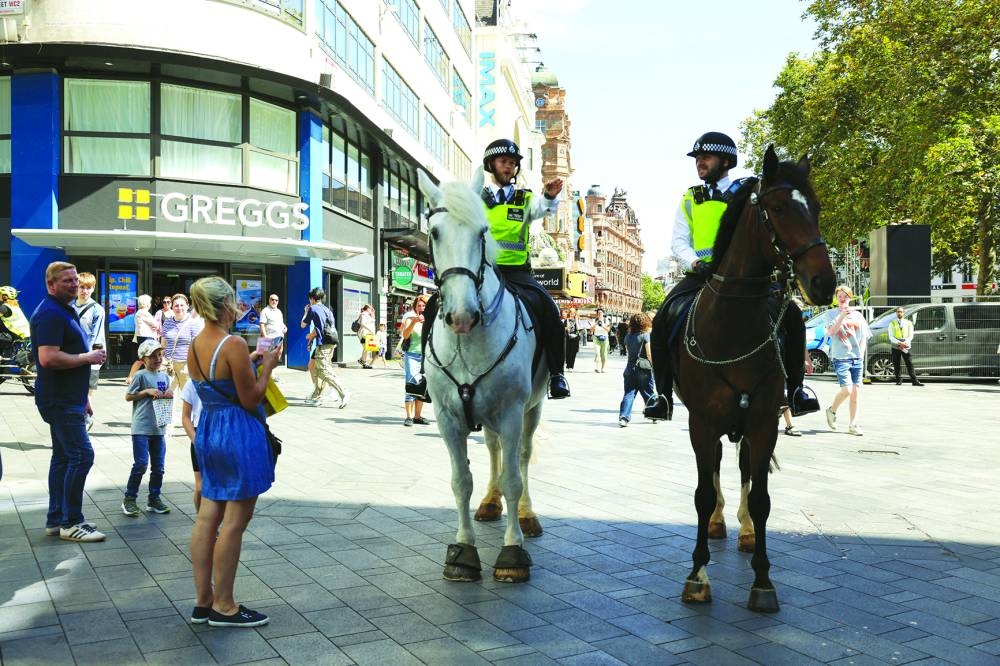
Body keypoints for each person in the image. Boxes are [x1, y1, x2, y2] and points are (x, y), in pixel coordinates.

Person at [645, 131, 820, 421]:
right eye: (697, 158)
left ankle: (796, 389)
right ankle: (662, 396)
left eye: (705, 157)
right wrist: (693, 262)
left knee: (791, 315)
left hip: (745, 274)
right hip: (702, 273)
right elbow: (679, 241)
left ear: (725, 161)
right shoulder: (691, 197)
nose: (699, 162)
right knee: (663, 317)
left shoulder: (748, 190)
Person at [409, 139, 571, 400]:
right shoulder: (474, 198)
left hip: (517, 272)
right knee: (433, 307)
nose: (508, 167)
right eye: (503, 162)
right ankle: (425, 374)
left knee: (550, 309)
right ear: (491, 165)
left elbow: (544, 208)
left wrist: (551, 195)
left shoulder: (524, 197)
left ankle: (556, 374)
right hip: (482, 270)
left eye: (512, 163)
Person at [186, 275, 280, 628]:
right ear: (224, 304)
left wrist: (252, 362)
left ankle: (203, 601)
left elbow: (221, 383)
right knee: (235, 523)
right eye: (234, 300)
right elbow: (251, 398)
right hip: (237, 433)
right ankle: (225, 606)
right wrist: (267, 366)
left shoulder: (196, 344)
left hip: (208, 430)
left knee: (208, 516)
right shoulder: (234, 344)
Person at [30, 262, 108, 542]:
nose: (74, 285)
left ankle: (56, 519)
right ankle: (71, 521)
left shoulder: (64, 309)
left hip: (69, 398)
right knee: (81, 455)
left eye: (76, 280)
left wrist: (83, 397)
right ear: (51, 285)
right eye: (67, 282)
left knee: (63, 457)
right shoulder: (51, 313)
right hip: (59, 400)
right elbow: (48, 358)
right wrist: (87, 358)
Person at [122, 339, 173, 517]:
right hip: (141, 427)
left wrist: (169, 394)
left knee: (159, 467)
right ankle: (129, 499)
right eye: (153, 356)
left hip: (158, 428)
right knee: (141, 464)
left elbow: (165, 399)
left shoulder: (165, 377)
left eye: (160, 355)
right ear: (144, 359)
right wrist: (145, 392)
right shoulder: (140, 375)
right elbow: (128, 396)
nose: (158, 358)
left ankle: (154, 499)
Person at [824, 285, 872, 436]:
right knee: (847, 390)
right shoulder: (831, 314)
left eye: (845, 296)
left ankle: (853, 424)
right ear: (836, 298)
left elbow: (864, 336)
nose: (843, 298)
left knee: (855, 394)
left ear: (850, 298)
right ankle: (831, 410)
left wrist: (861, 355)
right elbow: (831, 332)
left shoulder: (858, 315)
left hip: (856, 358)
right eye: (840, 295)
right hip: (841, 357)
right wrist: (842, 316)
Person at [301, 287, 350, 408]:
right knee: (317, 369)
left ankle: (344, 393)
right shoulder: (327, 310)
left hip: (323, 344)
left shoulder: (312, 308)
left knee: (324, 371)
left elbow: (303, 324)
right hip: (331, 342)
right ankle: (316, 395)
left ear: (312, 298)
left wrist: (306, 312)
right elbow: (324, 328)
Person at [74, 272, 105, 431]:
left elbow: (96, 337)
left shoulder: (97, 310)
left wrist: (88, 357)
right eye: (81, 287)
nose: (84, 291)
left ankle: (86, 420)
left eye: (88, 287)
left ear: (93, 289)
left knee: (87, 392)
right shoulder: (70, 306)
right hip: (73, 357)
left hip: (91, 357)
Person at [618, 312, 656, 427]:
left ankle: (624, 417)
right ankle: (654, 414)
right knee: (648, 393)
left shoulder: (628, 337)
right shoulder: (645, 335)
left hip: (629, 368)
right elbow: (649, 353)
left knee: (629, 393)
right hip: (643, 368)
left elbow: (628, 351)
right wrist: (653, 365)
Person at [161, 293, 203, 394]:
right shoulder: (167, 322)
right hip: (169, 365)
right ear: (172, 307)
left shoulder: (194, 322)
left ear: (187, 306)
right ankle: (169, 411)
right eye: (176, 305)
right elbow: (163, 343)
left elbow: (197, 347)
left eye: (182, 305)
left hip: (185, 364)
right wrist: (161, 360)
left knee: (188, 397)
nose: (179, 308)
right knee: (166, 395)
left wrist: (190, 365)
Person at [401, 294, 431, 426]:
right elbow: (405, 335)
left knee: (422, 385)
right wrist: (414, 321)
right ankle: (408, 416)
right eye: (419, 305)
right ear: (415, 307)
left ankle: (417, 416)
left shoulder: (430, 320)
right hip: (412, 355)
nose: (421, 307)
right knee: (411, 383)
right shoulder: (409, 318)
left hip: (426, 357)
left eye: (424, 305)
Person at [178, 371, 204, 512]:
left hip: (222, 433)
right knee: (201, 488)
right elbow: (186, 417)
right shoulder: (192, 383)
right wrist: (196, 440)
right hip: (199, 433)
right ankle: (202, 520)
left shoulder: (225, 379)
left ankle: (215, 523)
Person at [128, 294, 160, 381]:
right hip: (146, 338)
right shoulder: (143, 312)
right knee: (145, 359)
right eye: (149, 302)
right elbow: (155, 324)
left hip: (144, 337)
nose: (150, 304)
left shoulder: (140, 312)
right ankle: (131, 377)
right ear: (146, 304)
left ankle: (131, 377)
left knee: (142, 359)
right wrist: (156, 325)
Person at [889, 307, 924, 386]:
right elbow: (891, 336)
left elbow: (911, 335)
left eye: (901, 312)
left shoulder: (908, 323)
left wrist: (904, 343)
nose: (899, 313)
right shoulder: (892, 323)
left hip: (906, 345)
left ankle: (914, 381)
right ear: (896, 313)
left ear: (903, 313)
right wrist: (899, 343)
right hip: (896, 345)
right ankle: (898, 380)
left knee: (909, 363)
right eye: (898, 312)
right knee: (896, 363)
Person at [355, 303, 377, 368]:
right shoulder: (364, 314)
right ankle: (363, 362)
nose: (372, 310)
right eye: (371, 309)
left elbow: (373, 320)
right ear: (367, 309)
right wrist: (370, 329)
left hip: (368, 334)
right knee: (366, 348)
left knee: (367, 348)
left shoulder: (368, 315)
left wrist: (373, 313)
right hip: (364, 333)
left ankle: (362, 360)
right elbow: (362, 323)